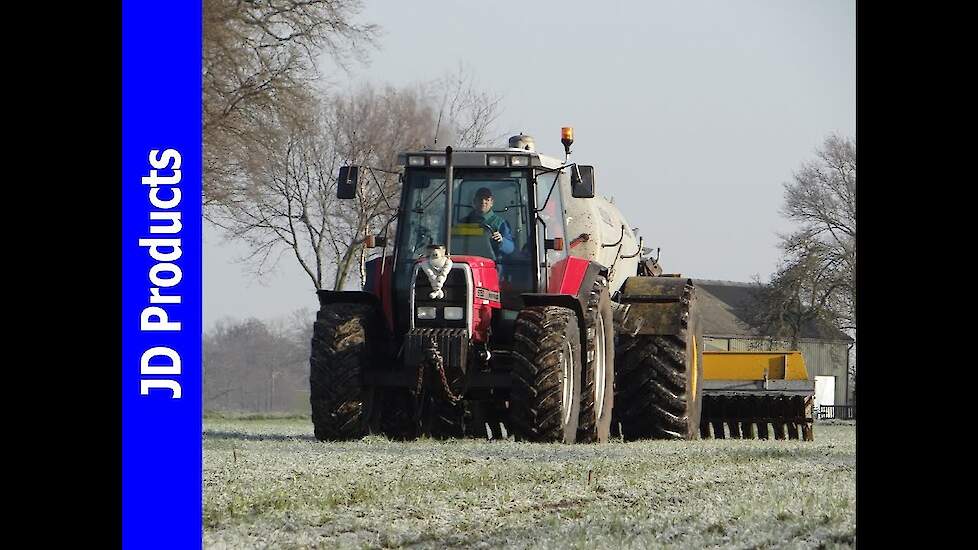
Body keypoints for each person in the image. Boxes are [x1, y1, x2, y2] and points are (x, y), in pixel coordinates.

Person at [460, 187, 515, 257]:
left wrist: (502, 241)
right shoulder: (463, 223)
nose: (483, 202)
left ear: (491, 202)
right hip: (467, 263)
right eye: (480, 199)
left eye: (487, 199)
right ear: (474, 201)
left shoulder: (501, 223)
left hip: (492, 265)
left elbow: (511, 249)